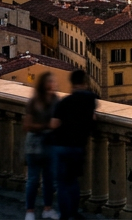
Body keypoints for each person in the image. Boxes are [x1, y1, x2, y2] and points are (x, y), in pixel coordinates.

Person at [50, 69, 97, 220]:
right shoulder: (91, 100)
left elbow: (54, 124)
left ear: (72, 84)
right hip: (78, 145)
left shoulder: (64, 102)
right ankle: (74, 212)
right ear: (85, 82)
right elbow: (93, 117)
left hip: (62, 145)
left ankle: (64, 215)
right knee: (73, 181)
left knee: (63, 184)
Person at [24, 72, 59, 220]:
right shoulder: (34, 101)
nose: (53, 84)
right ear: (44, 84)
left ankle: (47, 209)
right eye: (50, 81)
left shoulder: (56, 100)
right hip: (35, 145)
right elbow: (27, 125)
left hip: (49, 144)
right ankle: (30, 211)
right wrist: (46, 126)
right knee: (33, 179)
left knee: (48, 180)